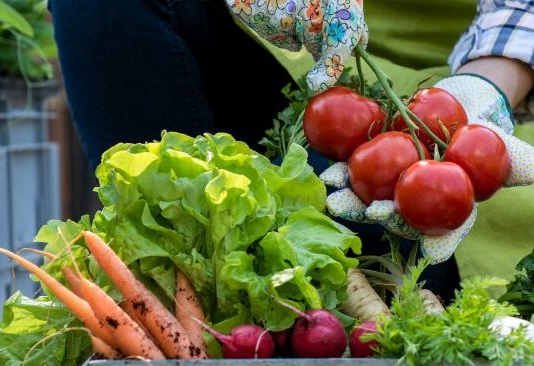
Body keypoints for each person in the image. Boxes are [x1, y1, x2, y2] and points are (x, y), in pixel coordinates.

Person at [48, 0, 534, 299]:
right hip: (297, 54)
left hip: (484, 80)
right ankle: (174, 304)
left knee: (358, 242)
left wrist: (482, 94)